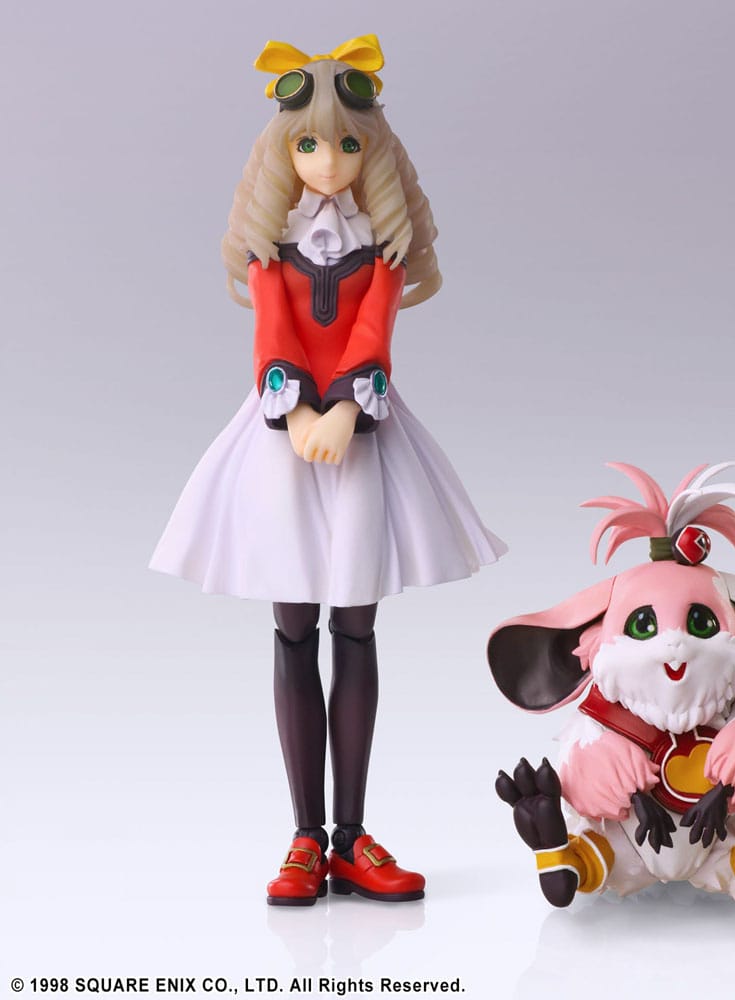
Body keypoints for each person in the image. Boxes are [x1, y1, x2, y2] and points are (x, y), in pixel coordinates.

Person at [151, 36, 505, 906]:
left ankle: (352, 835)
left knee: (355, 628)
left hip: (359, 439)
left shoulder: (380, 251)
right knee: (292, 630)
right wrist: (297, 411)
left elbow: (373, 334)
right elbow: (272, 335)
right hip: (283, 441)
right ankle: (305, 836)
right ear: (284, 151)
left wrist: (346, 406)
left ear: (371, 151)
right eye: (309, 144)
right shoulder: (272, 249)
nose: (328, 161)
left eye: (347, 144)